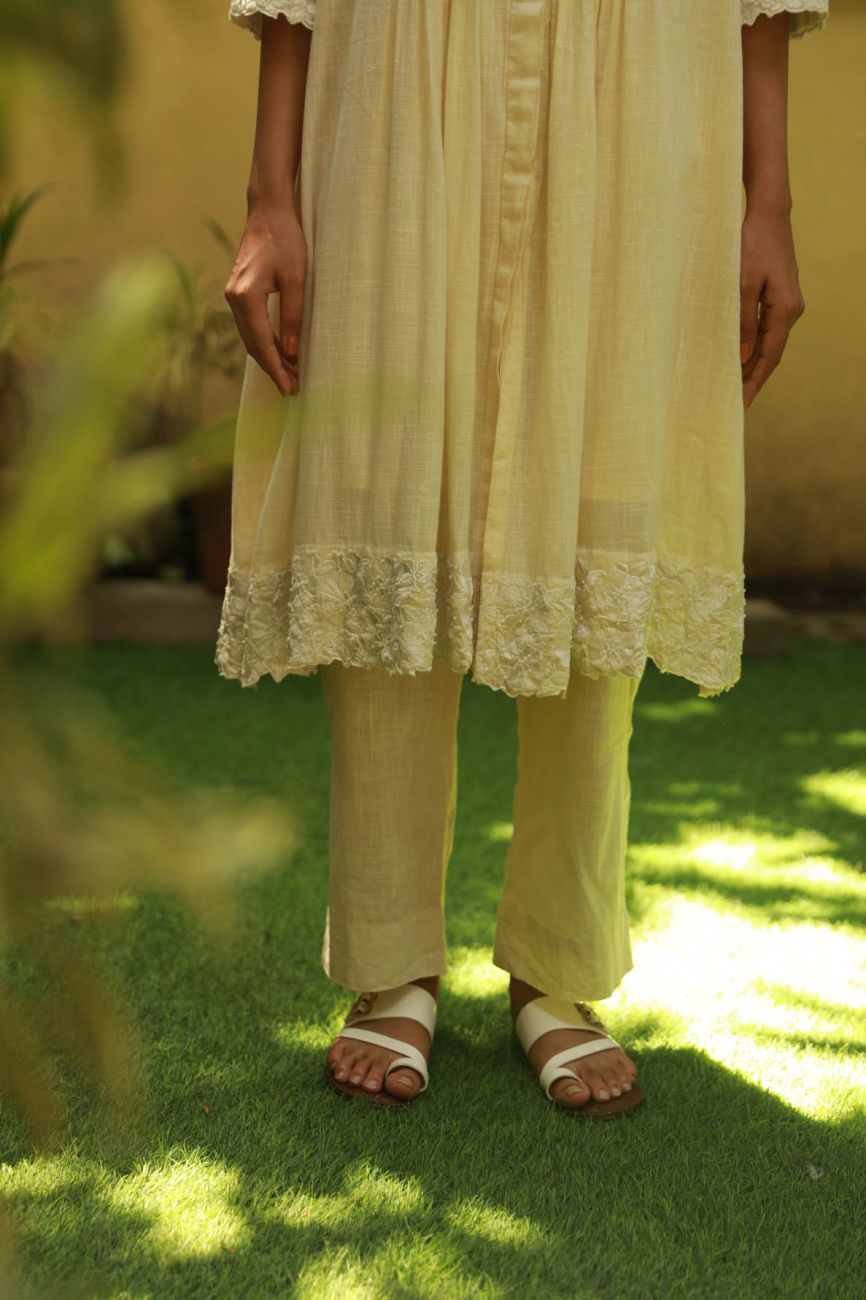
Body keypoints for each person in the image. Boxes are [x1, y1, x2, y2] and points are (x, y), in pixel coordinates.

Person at [218, 0, 829, 1119]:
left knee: (605, 488)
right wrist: (269, 195)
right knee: (389, 483)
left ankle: (560, 959)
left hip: (641, 80)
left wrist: (769, 203)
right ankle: (389, 956)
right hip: (399, 69)